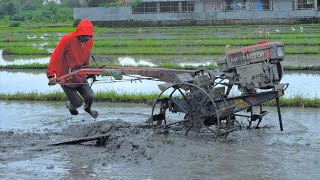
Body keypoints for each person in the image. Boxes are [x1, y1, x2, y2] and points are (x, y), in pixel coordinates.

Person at [47, 19, 98, 118]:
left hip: (80, 74)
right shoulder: (67, 39)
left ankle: (88, 108)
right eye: (83, 36)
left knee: (90, 96)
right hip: (66, 76)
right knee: (77, 102)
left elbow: (86, 56)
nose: (85, 39)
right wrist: (51, 75)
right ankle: (70, 106)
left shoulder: (89, 42)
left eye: (88, 37)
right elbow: (56, 56)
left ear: (90, 36)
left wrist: (89, 70)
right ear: (79, 34)